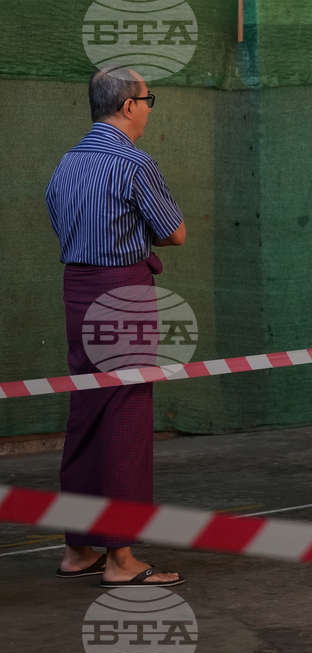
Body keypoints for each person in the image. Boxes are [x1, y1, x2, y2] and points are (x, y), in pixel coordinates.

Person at [46, 66, 186, 585]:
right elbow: (175, 233)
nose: (150, 108)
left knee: (86, 409)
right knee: (125, 416)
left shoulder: (66, 163)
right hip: (124, 294)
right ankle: (122, 559)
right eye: (148, 99)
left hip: (77, 290)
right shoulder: (132, 162)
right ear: (129, 105)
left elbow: (61, 222)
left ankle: (78, 549)